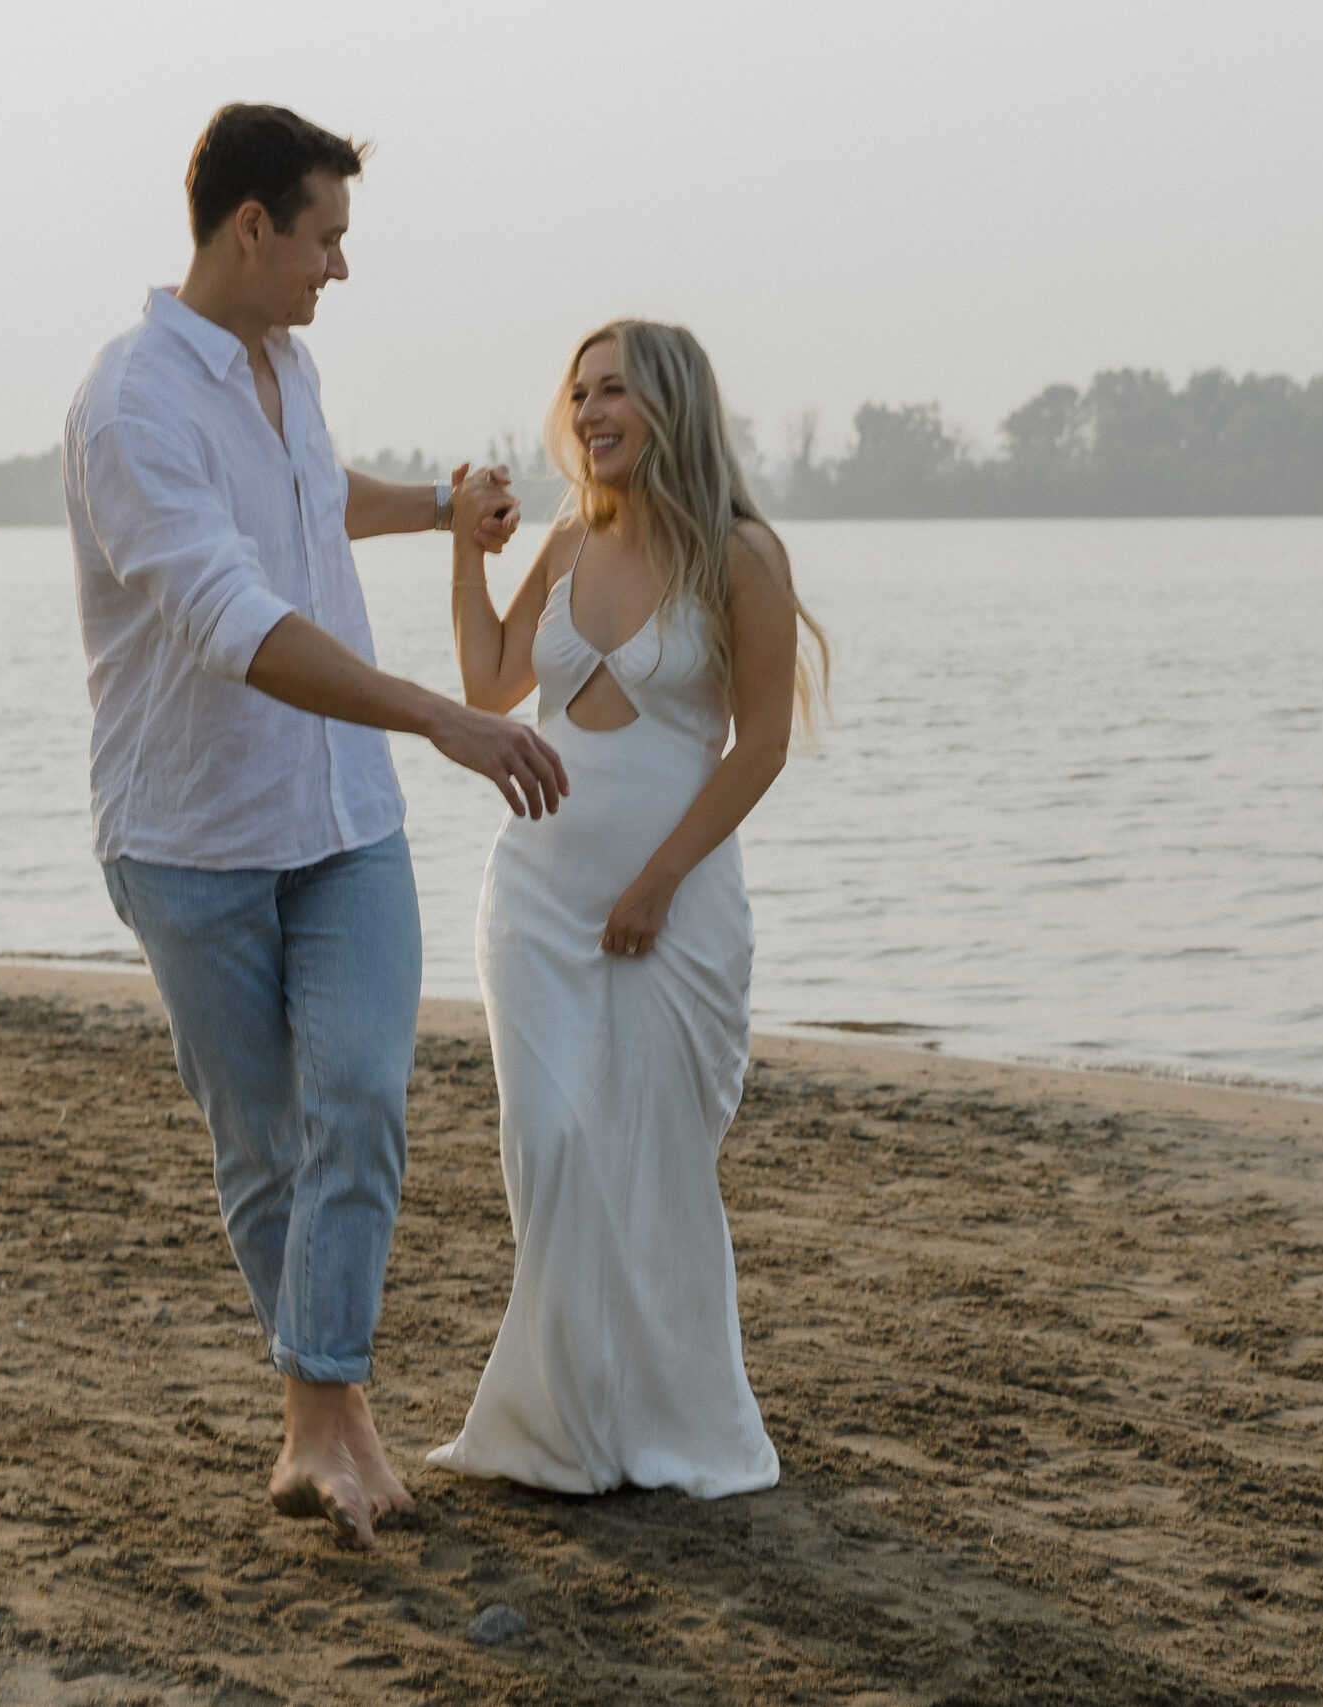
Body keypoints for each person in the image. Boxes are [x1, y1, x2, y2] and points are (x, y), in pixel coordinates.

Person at [63, 104, 565, 1551]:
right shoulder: (131, 405)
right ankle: (326, 1426)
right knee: (266, 1140)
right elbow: (227, 616)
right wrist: (444, 715)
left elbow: (303, 501)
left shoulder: (290, 364)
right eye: (327, 237)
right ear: (251, 228)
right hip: (191, 831)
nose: (341, 268)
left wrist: (437, 509)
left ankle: (322, 1404)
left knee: (360, 1095)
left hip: (341, 817)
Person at [426, 320, 828, 1498]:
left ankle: (670, 1428)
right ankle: (562, 1429)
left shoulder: (740, 555)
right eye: (580, 393)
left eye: (616, 393)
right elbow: (488, 680)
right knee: (550, 1149)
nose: (592, 412)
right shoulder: (565, 539)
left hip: (677, 906)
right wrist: (464, 553)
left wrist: (658, 880)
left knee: (653, 1167)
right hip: (537, 900)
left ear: (669, 409)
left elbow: (759, 747)